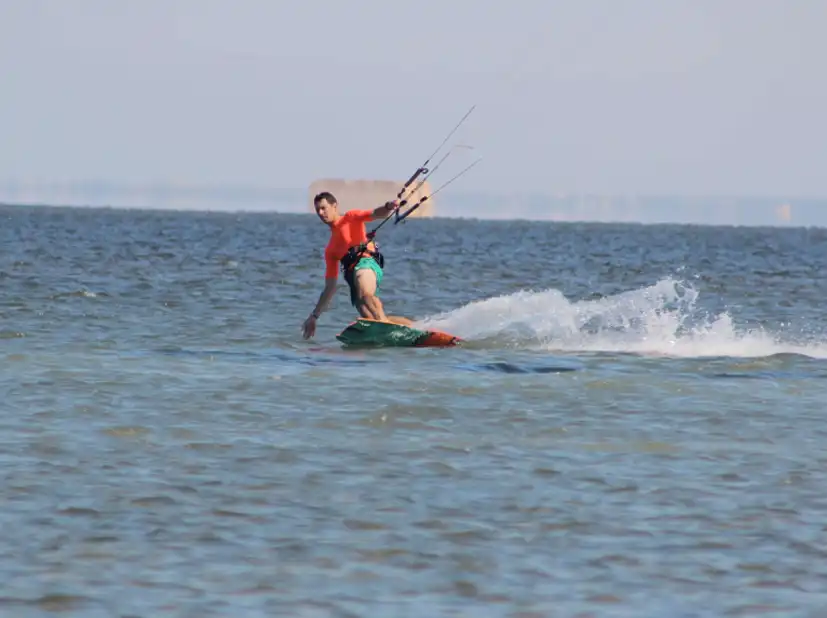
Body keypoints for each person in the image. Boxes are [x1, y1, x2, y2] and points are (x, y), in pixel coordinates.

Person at [302, 191, 414, 340]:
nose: (321, 213)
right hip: (351, 276)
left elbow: (376, 213)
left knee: (365, 294)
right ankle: (414, 327)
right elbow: (330, 287)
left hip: (366, 263)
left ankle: (385, 329)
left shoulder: (351, 217)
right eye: (318, 210)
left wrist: (388, 206)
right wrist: (314, 316)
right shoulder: (330, 249)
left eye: (324, 208)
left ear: (334, 206)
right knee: (367, 314)